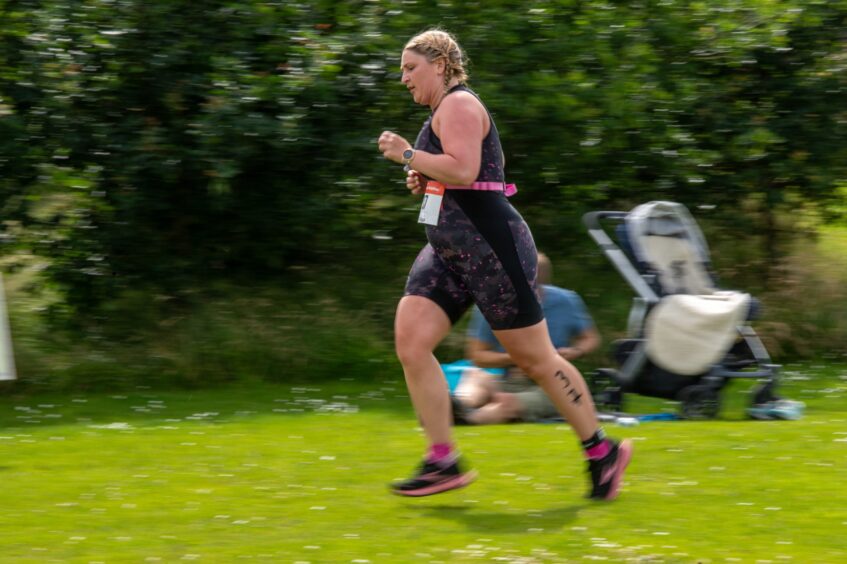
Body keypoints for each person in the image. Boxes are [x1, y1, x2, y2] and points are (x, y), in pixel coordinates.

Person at [377, 29, 632, 500]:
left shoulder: (458, 104)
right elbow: (452, 175)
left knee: (535, 359)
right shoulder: (441, 111)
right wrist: (424, 177)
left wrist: (409, 155)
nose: (404, 78)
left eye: (410, 68)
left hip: (491, 249)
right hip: (448, 251)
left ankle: (602, 452)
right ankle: (442, 460)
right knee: (411, 342)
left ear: (439, 64)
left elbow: (466, 170)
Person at [454, 253, 602, 425]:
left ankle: (466, 420)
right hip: (510, 379)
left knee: (507, 403)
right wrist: (518, 359)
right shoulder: (493, 303)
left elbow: (590, 338)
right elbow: (477, 355)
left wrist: (574, 351)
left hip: (551, 384)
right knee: (476, 377)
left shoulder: (566, 301)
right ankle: (457, 406)